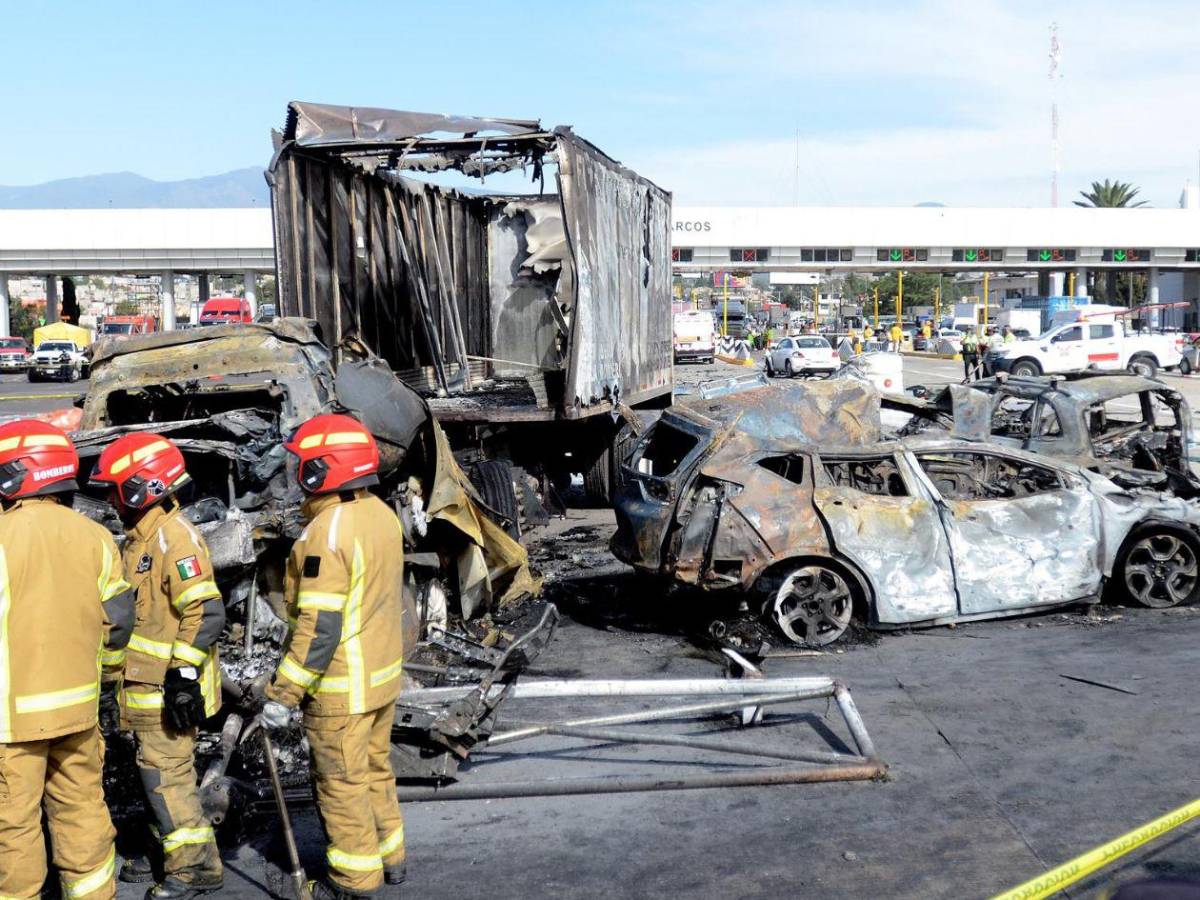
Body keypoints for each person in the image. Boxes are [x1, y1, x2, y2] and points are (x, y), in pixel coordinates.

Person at [259, 414, 407, 900]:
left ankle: (353, 880)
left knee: (340, 785)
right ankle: (391, 857)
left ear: (323, 470)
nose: (296, 471)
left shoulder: (327, 530)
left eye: (302, 463)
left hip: (342, 688)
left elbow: (320, 628)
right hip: (382, 678)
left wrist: (284, 694)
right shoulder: (381, 515)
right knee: (375, 771)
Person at [0, 420, 134, 900]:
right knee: (82, 811)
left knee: (13, 828)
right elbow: (118, 621)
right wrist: (108, 679)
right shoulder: (95, 537)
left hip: (11, 724)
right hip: (78, 715)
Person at [90, 434, 225, 900]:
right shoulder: (140, 540)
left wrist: (182, 678)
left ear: (141, 487)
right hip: (142, 689)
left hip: (167, 693)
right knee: (152, 776)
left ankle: (196, 869)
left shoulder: (175, 538)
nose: (110, 499)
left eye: (116, 489)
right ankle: (164, 854)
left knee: (167, 780)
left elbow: (205, 612)